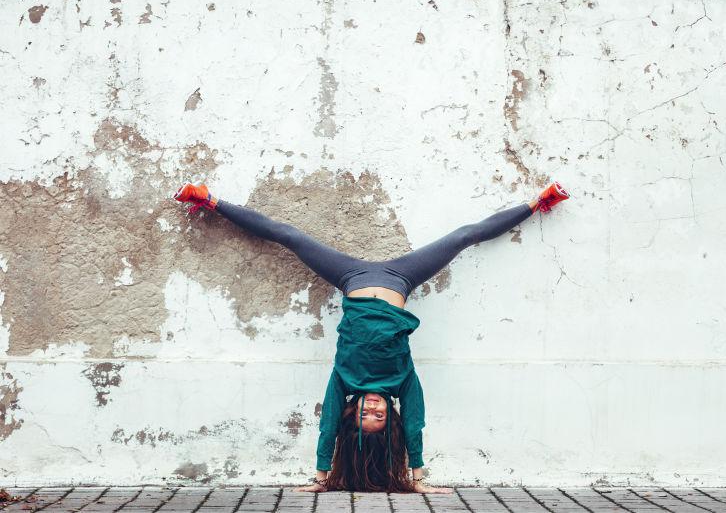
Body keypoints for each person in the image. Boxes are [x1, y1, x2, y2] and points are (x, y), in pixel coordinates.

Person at [173, 179, 569, 493]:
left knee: (288, 236)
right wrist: (417, 477)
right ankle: (538, 202)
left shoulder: (343, 380)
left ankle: (208, 200)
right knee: (464, 236)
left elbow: (329, 425)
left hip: (351, 279)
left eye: (365, 414)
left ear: (354, 410)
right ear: (389, 415)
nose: (374, 409)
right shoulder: (402, 382)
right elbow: (414, 423)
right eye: (380, 416)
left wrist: (321, 476)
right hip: (401, 279)